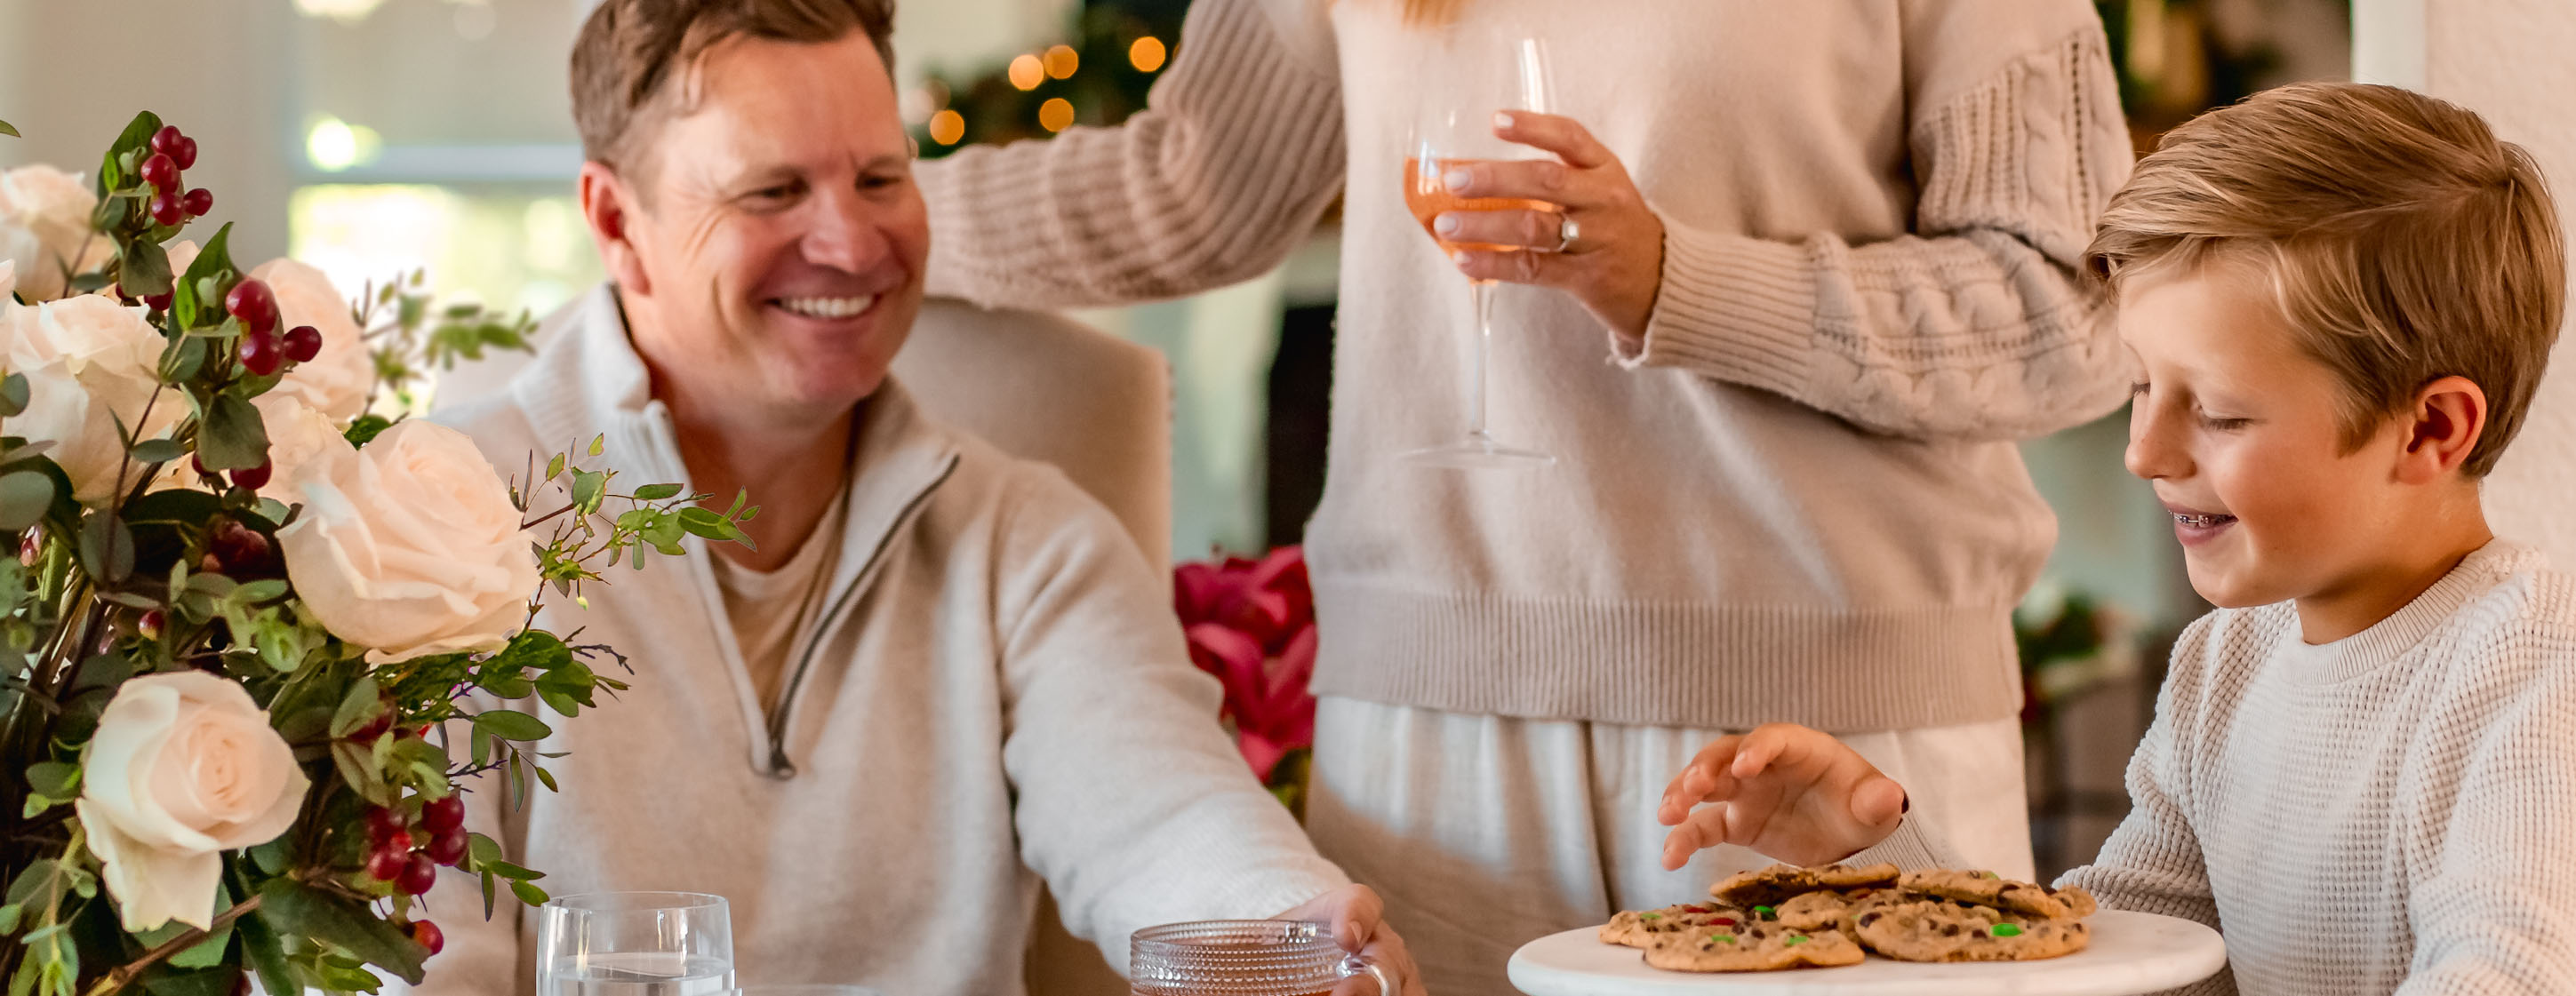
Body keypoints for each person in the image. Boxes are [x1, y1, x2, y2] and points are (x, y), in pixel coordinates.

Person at [914, 2, 2137, 988]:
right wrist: (856, 209)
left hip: (1823, 729)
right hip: (1424, 739)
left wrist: (1675, 279)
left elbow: (2068, 312)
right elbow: (1189, 185)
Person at [409, 2, 1424, 993]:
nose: (851, 245)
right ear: (616, 222)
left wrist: (1288, 930)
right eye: (771, 191)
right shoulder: (423, 537)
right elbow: (413, 963)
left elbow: (1162, 813)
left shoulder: (1027, 542)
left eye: (879, 176)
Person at [1654, 83, 2576, 994]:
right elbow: (2122, 965)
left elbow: (2512, 975)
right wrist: (1875, 852)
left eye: (2219, 412)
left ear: (2430, 429)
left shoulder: (2535, 652)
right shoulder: (2221, 666)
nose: (2142, 451)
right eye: (2141, 386)